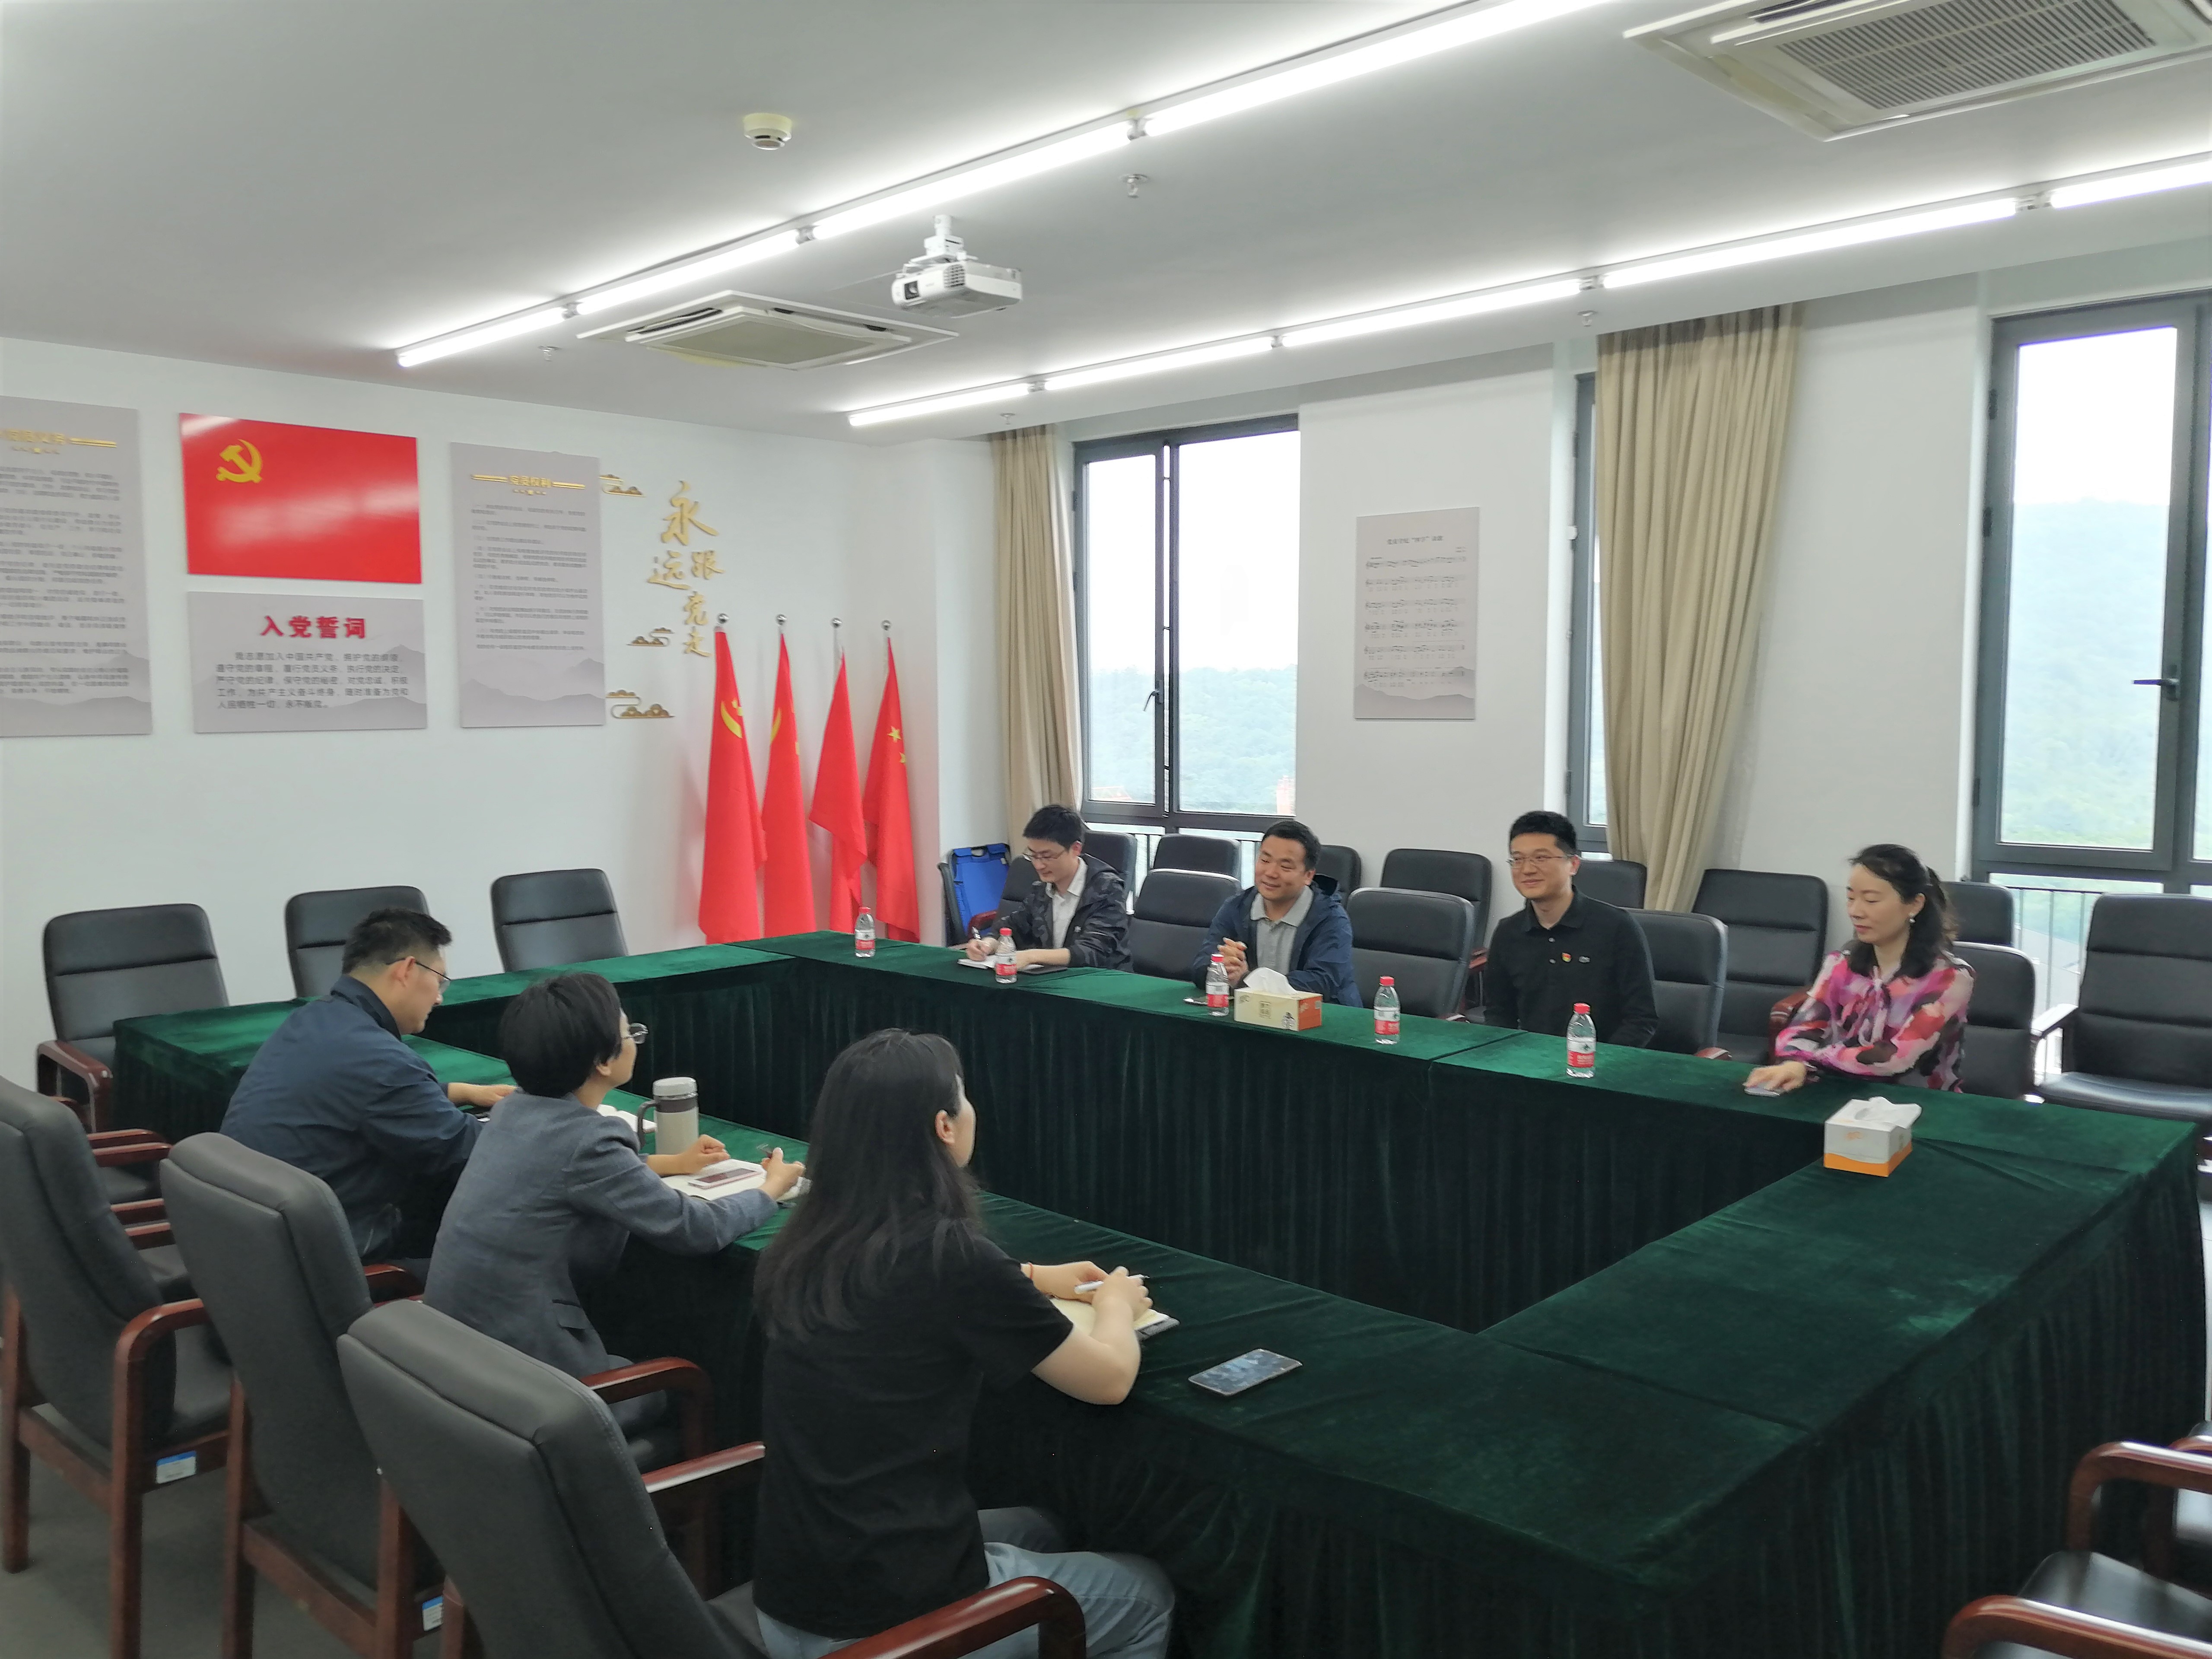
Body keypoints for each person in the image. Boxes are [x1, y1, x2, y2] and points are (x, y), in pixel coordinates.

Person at [750, 1029, 1174, 1659]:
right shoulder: (950, 1257)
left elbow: (910, 1287)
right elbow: (1108, 1379)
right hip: (882, 1624)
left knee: (1041, 1525)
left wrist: (1028, 1275)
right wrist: (1115, 1303)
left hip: (791, 1595)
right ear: (944, 1127)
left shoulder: (805, 1240)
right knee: (1147, 1595)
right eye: (964, 1098)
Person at [426, 972, 803, 1383]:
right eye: (630, 1033)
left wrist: (672, 1162)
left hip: (452, 1344)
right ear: (603, 1062)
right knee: (682, 1384)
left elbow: (566, 1170)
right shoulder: (590, 1140)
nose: (635, 1041)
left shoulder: (510, 1111)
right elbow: (696, 1229)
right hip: (523, 1368)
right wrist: (771, 1189)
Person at [223, 907, 512, 1265]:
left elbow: (361, 1096)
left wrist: (461, 1092)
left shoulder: (313, 1019)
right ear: (407, 970)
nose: (440, 998)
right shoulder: (380, 1059)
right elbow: (470, 1152)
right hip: (332, 1260)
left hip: (257, 1243)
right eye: (440, 981)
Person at [1748, 843, 1976, 1094]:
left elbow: (1895, 1058)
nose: (1855, 912)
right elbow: (1804, 1026)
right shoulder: (1840, 963)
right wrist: (1795, 1062)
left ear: (1915, 905)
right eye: (1851, 898)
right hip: (1841, 1093)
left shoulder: (1951, 979)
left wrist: (1812, 1060)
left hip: (1919, 1103)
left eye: (1871, 900)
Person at [1484, 811, 1657, 1047]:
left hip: (1602, 1062)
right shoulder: (1508, 932)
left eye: (1541, 858)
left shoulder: (1617, 927)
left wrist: (1597, 1062)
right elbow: (1498, 1014)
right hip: (1531, 1060)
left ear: (1573, 864)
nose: (1527, 870)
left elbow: (1641, 1020)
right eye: (1518, 859)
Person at [1186, 817, 1360, 1006]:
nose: (1271, 873)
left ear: (1308, 876)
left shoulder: (1331, 918)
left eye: (1285, 866)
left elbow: (1321, 983)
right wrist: (1223, 968)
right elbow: (1201, 965)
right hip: (1253, 1014)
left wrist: (1246, 979)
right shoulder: (1236, 907)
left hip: (1323, 1018)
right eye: (1265, 860)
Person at [961, 804, 1129, 971]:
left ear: (1076, 849)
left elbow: (1094, 952)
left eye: (1047, 857)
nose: (1039, 865)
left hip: (1102, 979)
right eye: (1033, 855)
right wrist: (988, 944)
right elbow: (1014, 926)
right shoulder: (1042, 889)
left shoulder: (1107, 889)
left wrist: (1031, 956)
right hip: (1054, 977)